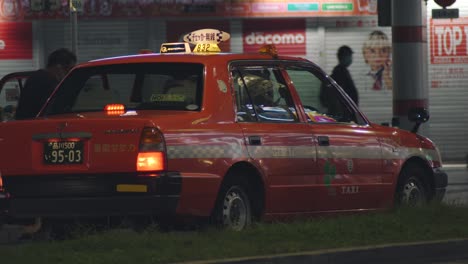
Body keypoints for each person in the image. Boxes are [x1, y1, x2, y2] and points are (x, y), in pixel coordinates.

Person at [15, 48, 77, 120]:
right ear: (59, 68)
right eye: (70, 69)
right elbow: (55, 109)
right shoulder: (48, 82)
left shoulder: (37, 77)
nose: (70, 73)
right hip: (36, 126)